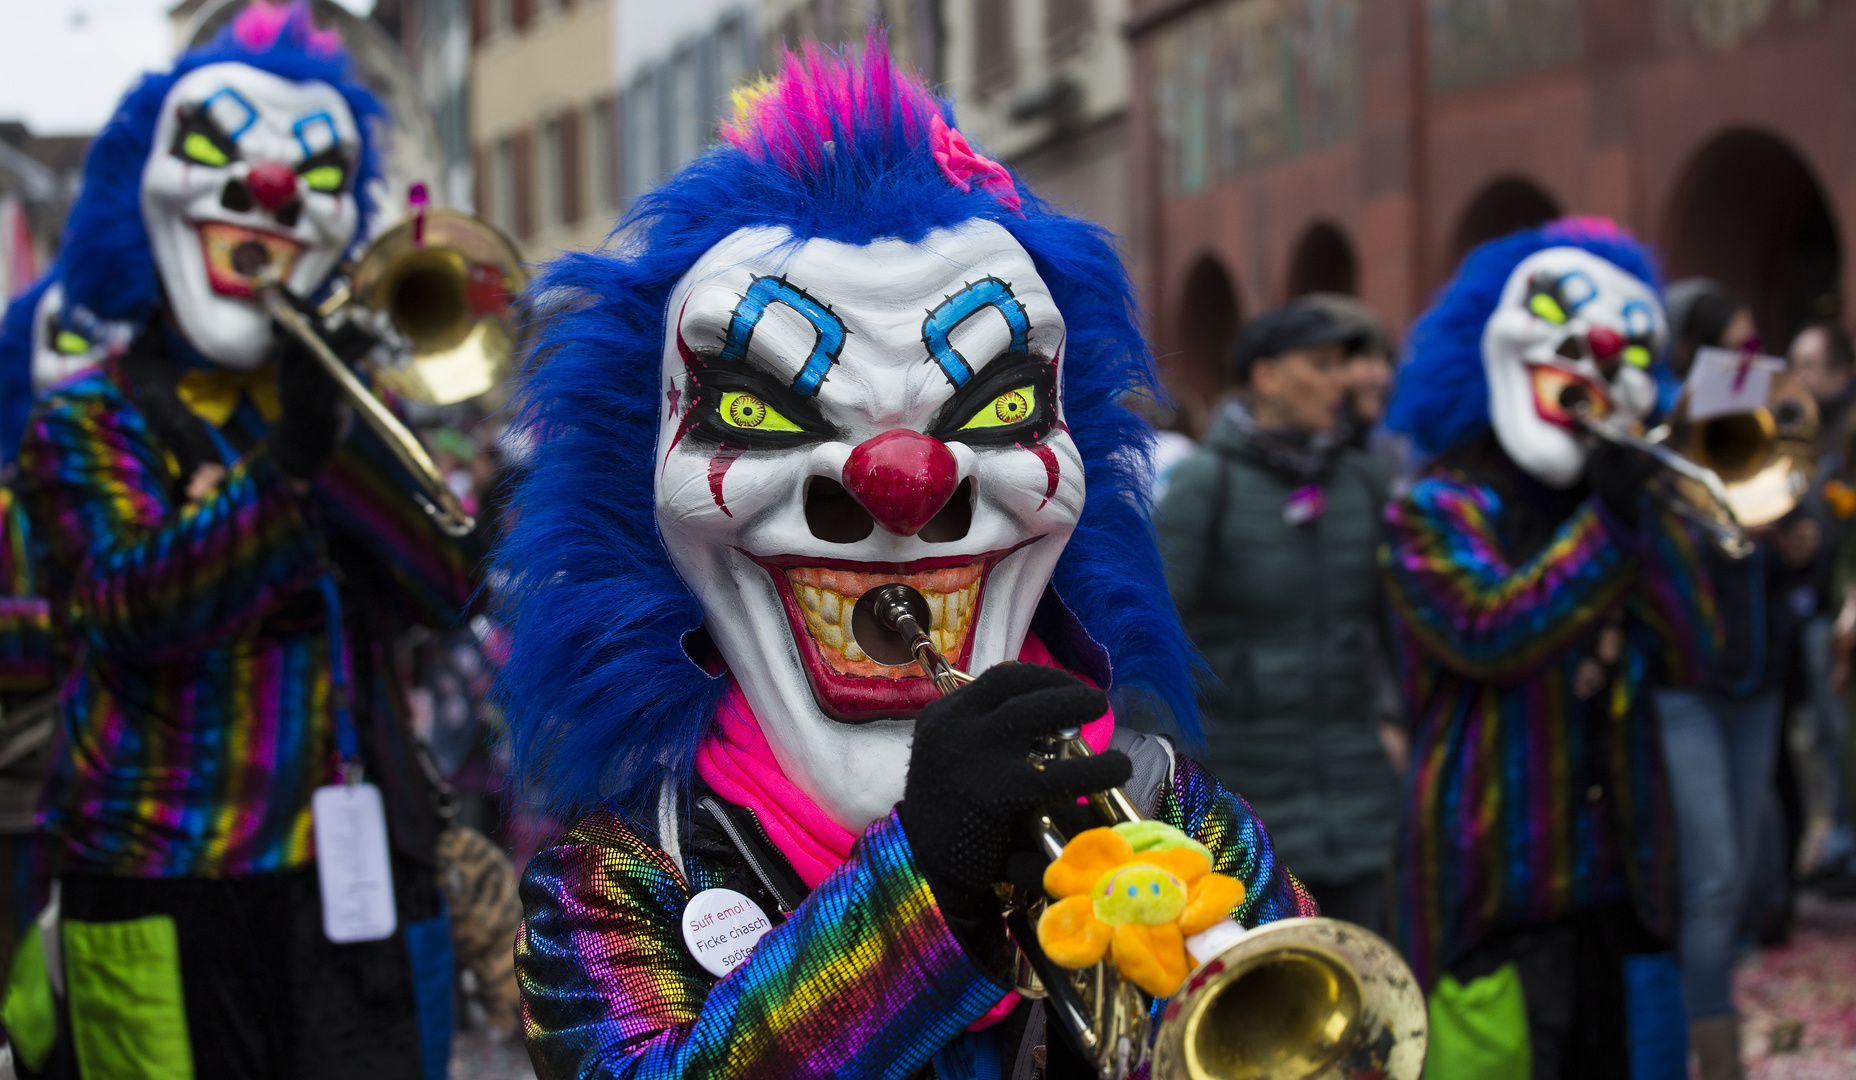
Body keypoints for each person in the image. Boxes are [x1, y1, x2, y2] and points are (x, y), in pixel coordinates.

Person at [501, 41, 1317, 1079]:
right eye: (756, 409)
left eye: (998, 403)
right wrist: (928, 878)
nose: (904, 485)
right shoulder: (619, 877)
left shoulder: (1170, 816)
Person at [0, 6, 480, 1076]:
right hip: (160, 887)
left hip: (359, 900)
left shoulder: (352, 413)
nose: (265, 194)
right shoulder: (87, 419)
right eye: (221, 156)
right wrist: (291, 462)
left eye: (305, 176)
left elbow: (446, 588)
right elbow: (133, 604)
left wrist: (346, 436)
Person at [1380, 219, 1713, 1080]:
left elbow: (1699, 649)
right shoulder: (1435, 507)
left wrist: (1663, 516)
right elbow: (1489, 628)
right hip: (1494, 893)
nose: (1600, 369)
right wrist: (1613, 524)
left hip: (1623, 890)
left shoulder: (1623, 512)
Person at [1155, 301, 1399, 932]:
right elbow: (1157, 640)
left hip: (1358, 797)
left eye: (1343, 365)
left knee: (1370, 981)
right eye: (1320, 365)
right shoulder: (1208, 484)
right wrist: (1172, 787)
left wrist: (1397, 718)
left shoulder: (1362, 483)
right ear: (1266, 377)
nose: (1341, 381)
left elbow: (1397, 629)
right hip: (1247, 803)